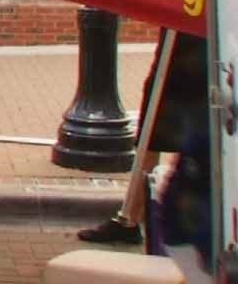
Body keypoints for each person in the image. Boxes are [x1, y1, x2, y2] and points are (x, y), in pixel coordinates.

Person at [78, 27, 208, 246]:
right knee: (155, 133)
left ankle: (140, 218)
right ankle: (133, 217)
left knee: (170, 134)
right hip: (181, 39)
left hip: (192, 45)